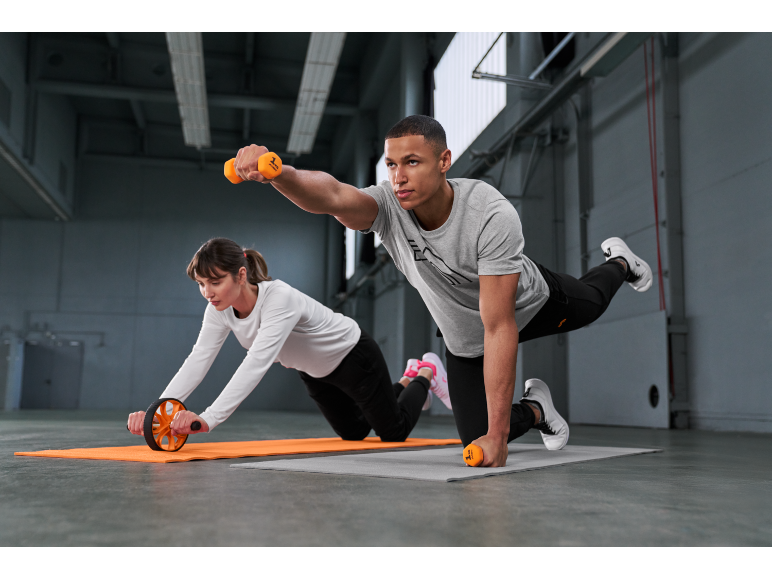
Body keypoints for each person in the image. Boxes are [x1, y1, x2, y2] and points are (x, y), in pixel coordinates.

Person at [231, 115, 654, 467]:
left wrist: (501, 436)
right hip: (466, 338)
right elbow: (333, 196)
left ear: (444, 160)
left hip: (527, 304)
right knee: (476, 439)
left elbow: (499, 325)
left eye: (412, 162)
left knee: (593, 303)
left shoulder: (489, 213)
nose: (399, 176)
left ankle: (620, 263)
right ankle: (538, 408)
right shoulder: (388, 208)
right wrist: (278, 173)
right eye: (391, 164)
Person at [126, 237, 452, 442]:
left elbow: (256, 363)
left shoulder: (278, 298)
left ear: (241, 275)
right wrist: (159, 411)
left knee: (392, 433)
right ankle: (406, 379)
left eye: (215, 281)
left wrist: (208, 419)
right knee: (353, 433)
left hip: (353, 357)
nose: (207, 292)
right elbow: (198, 360)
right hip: (313, 372)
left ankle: (425, 373)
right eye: (200, 284)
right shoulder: (219, 308)